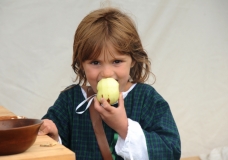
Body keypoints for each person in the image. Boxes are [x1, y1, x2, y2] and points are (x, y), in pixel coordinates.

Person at [39, 7, 181, 160]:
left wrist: (124, 127)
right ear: (81, 64)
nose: (106, 73)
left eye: (117, 61)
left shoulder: (147, 99)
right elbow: (49, 149)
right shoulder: (70, 101)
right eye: (95, 62)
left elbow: (171, 151)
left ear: (133, 60)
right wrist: (52, 137)